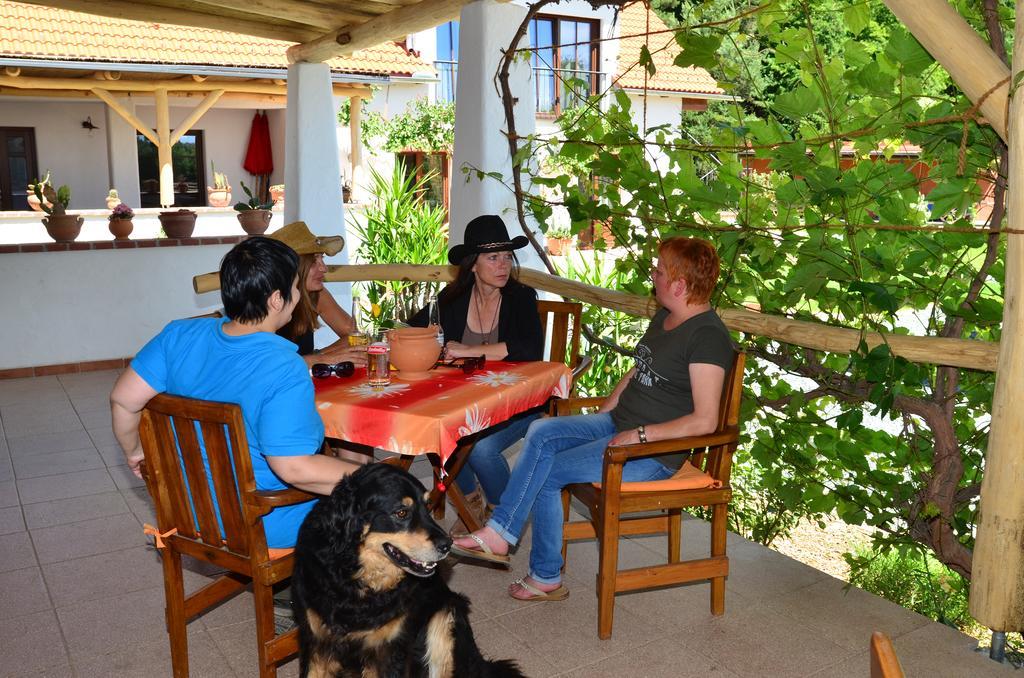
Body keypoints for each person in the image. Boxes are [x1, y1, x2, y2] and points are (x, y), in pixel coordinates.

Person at [451, 236, 735, 601]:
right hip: (618, 422)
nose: (653, 275)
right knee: (542, 431)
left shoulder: (707, 337)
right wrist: (601, 418)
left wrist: (640, 436)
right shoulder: (667, 316)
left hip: (653, 453)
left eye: (659, 270)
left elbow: (706, 421)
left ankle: (538, 570)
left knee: (550, 471)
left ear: (679, 284)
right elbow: (638, 371)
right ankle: (504, 535)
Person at [109, 236, 360, 549]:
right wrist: (375, 480)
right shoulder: (284, 366)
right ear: (276, 300)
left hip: (187, 513)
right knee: (374, 499)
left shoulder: (176, 335)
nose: (299, 296)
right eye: (295, 288)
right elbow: (294, 468)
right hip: (263, 521)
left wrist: (135, 453)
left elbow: (123, 399)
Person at [409, 214, 544, 528]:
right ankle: (470, 502)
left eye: (507, 257)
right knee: (438, 434)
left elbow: (529, 349)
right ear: (473, 265)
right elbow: (416, 328)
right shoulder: (453, 299)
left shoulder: (520, 298)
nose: (502, 265)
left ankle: (502, 514)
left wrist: (468, 350)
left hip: (517, 402)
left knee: (481, 449)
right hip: (466, 400)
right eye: (493, 257)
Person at [272, 221, 366, 368]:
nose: (324, 268)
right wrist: (321, 359)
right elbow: (267, 367)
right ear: (293, 266)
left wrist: (320, 357)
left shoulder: (315, 294)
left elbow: (355, 336)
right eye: (314, 261)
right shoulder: (264, 301)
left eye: (322, 258)